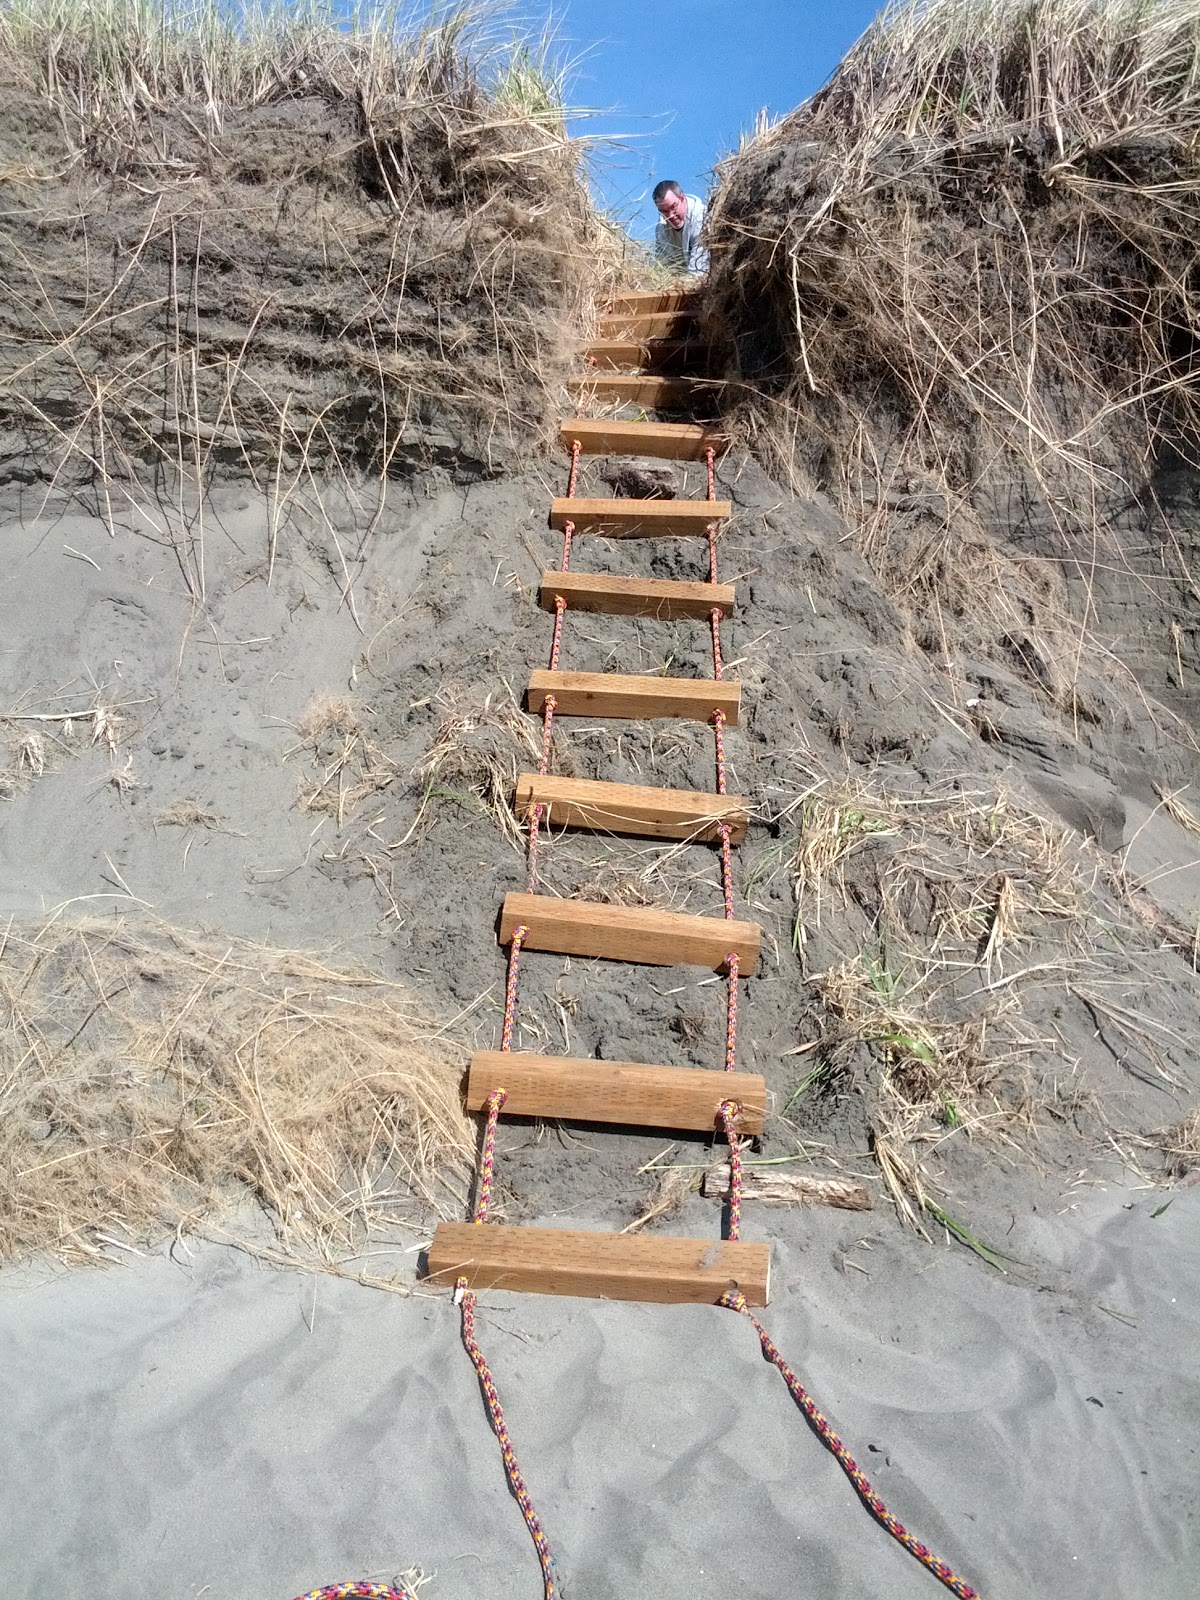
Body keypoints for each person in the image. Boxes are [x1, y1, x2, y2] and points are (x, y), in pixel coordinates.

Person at [653, 180, 710, 276]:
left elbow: (698, 271)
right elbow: (662, 268)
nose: (670, 215)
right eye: (664, 211)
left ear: (683, 198)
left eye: (673, 207)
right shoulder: (661, 229)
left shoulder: (701, 218)